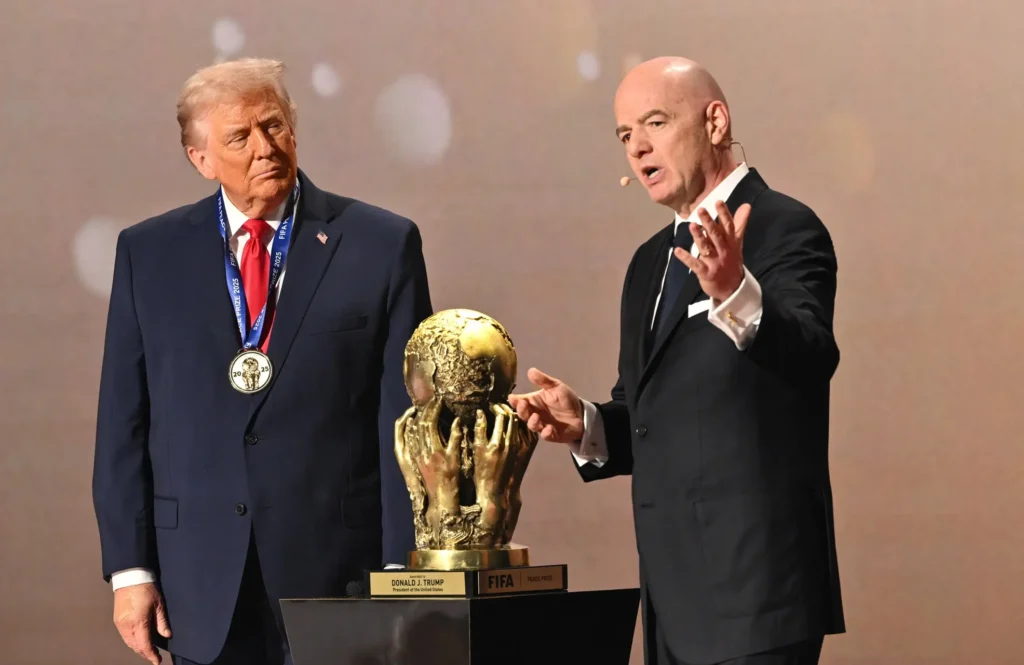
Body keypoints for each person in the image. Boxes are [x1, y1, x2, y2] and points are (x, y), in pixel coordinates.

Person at [91, 57, 432, 665]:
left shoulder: (382, 244)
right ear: (200, 159)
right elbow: (123, 423)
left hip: (339, 578)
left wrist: (400, 571)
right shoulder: (148, 254)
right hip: (196, 580)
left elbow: (403, 423)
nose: (264, 148)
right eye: (238, 137)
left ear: (294, 128)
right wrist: (130, 570)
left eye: (273, 126)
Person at [508, 57, 845, 665]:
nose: (637, 149)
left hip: (757, 597)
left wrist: (736, 293)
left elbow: (810, 353)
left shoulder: (784, 226)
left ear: (715, 122)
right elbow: (648, 418)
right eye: (624, 136)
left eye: (655, 123)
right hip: (673, 601)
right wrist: (585, 422)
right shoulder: (648, 262)